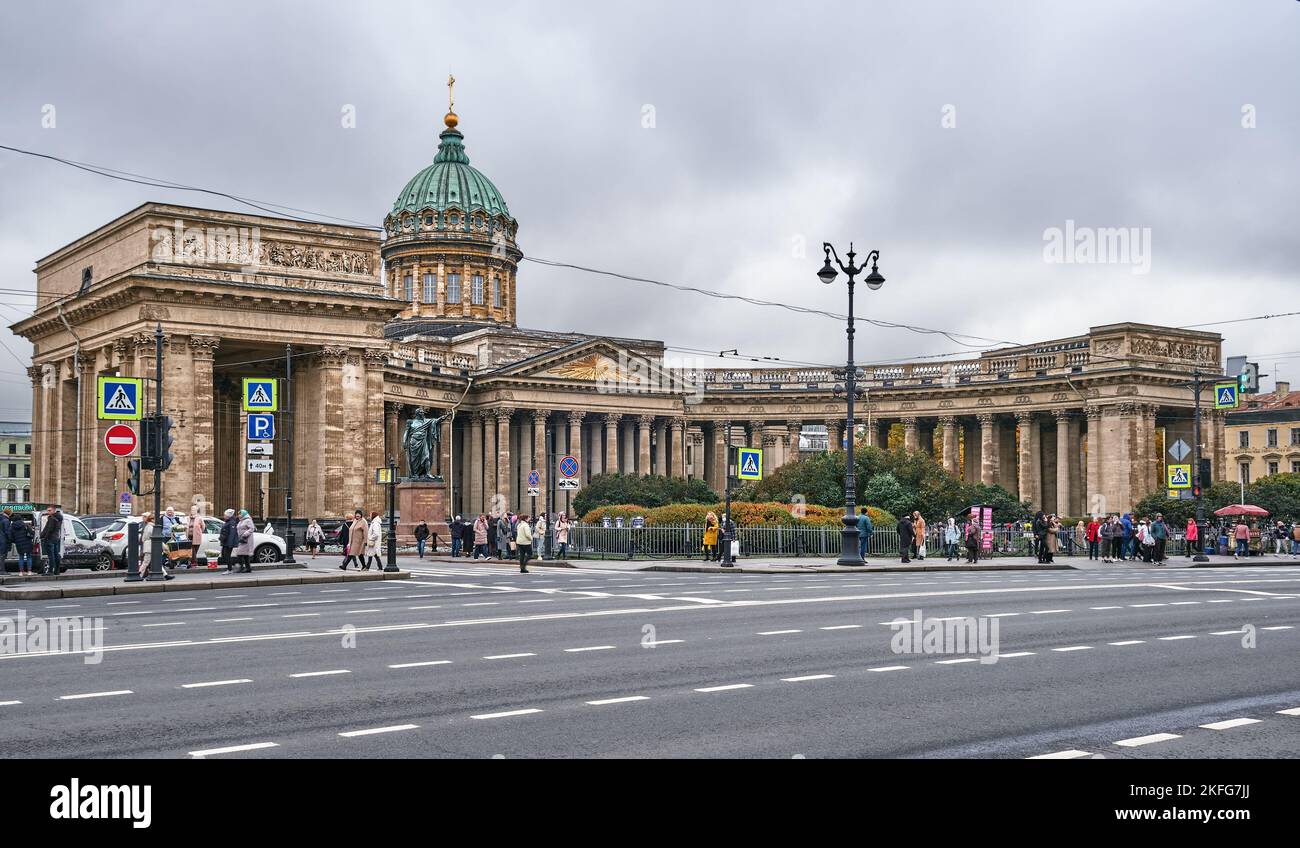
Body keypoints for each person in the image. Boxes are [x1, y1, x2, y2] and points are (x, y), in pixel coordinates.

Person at [39, 505, 64, 575]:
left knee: (51, 556)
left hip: (50, 538)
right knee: (56, 555)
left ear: (54, 511)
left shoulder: (52, 518)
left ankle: (50, 571)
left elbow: (49, 529)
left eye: (50, 510)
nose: (48, 512)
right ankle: (56, 570)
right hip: (56, 538)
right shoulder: (59, 518)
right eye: (48, 510)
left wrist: (44, 537)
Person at [234, 509, 256, 573]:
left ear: (243, 514)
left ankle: (242, 568)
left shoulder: (248, 520)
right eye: (238, 514)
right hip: (241, 540)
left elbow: (252, 529)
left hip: (246, 540)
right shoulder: (241, 521)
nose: (238, 515)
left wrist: (245, 534)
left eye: (240, 514)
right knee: (244, 554)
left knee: (240, 554)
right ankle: (247, 568)